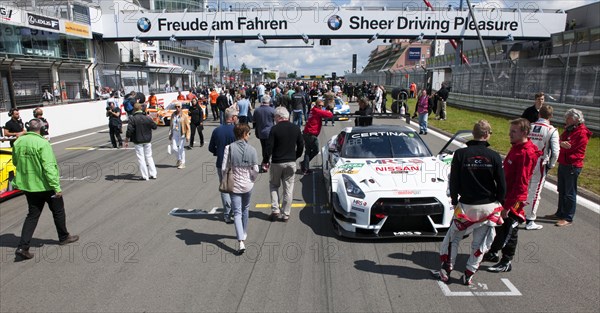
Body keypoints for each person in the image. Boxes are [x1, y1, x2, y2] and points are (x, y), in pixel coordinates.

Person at [437, 120, 506, 286]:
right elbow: (502, 184)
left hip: (466, 206)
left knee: (454, 238)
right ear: (486, 135)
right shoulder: (495, 156)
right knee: (479, 243)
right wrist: (500, 202)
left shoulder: (460, 154)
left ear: (474, 134)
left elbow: (453, 181)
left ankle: (447, 269)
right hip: (488, 207)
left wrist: (454, 199)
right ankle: (468, 273)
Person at [13, 119, 79, 260]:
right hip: (46, 186)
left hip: (29, 186)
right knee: (58, 211)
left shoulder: (19, 142)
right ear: (41, 129)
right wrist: (56, 187)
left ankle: (22, 247)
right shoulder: (43, 143)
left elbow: (15, 161)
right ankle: (63, 237)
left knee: (32, 215)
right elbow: (49, 167)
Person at [484, 118, 541, 273]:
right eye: (510, 131)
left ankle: (506, 261)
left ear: (524, 132)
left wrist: (508, 206)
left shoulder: (525, 153)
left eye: (513, 131)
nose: (510, 134)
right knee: (500, 225)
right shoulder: (517, 147)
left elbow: (521, 184)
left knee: (510, 227)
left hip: (514, 199)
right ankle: (493, 252)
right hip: (506, 194)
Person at [544, 109, 591, 227]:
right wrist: (560, 143)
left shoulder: (581, 132)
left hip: (572, 165)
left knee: (570, 192)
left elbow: (570, 147)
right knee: (561, 190)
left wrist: (560, 144)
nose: (566, 120)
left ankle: (568, 217)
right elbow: (558, 141)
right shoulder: (569, 130)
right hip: (564, 163)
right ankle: (560, 213)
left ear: (575, 119)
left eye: (568, 118)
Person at [222, 124, 259, 254]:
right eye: (248, 133)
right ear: (243, 134)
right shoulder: (252, 150)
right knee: (245, 209)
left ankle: (240, 241)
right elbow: (255, 170)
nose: (249, 136)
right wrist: (252, 179)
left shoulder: (229, 148)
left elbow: (223, 168)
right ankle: (243, 232)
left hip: (234, 184)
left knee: (236, 212)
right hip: (248, 184)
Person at [523, 105, 559, 230]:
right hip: (540, 163)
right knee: (535, 192)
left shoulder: (530, 126)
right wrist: (551, 164)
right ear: (551, 116)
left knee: (522, 189)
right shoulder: (552, 130)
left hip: (526, 160)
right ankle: (530, 220)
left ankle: (517, 215)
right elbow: (555, 151)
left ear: (539, 114)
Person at [266, 107, 304, 222]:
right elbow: (301, 145)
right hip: (290, 161)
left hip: (277, 162)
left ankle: (275, 210)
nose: (274, 119)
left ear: (279, 117)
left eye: (275, 117)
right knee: (288, 188)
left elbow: (269, 147)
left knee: (274, 185)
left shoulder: (274, 129)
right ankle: (286, 214)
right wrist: (295, 156)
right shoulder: (296, 128)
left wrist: (266, 159)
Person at [209, 107, 238, 223]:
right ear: (233, 118)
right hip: (235, 163)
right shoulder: (237, 130)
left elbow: (211, 148)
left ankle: (227, 214)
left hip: (221, 163)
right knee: (236, 188)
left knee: (225, 188)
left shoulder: (217, 130)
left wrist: (218, 152)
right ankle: (236, 212)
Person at [125, 103, 158, 180]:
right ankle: (153, 174)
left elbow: (129, 130)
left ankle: (145, 176)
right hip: (147, 140)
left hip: (138, 140)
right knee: (149, 157)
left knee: (141, 158)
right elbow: (154, 126)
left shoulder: (132, 118)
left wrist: (126, 139)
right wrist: (152, 120)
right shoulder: (147, 118)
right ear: (141, 109)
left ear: (134, 109)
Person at [302, 99, 333, 175]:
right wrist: (329, 111)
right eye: (320, 105)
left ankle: (305, 166)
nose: (321, 107)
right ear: (316, 105)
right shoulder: (316, 110)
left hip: (308, 133)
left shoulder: (314, 110)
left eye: (322, 106)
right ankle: (304, 166)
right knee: (315, 150)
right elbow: (329, 115)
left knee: (308, 151)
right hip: (310, 134)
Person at [253, 95, 275, 172]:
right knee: (269, 148)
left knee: (264, 148)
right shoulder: (272, 110)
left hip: (261, 132)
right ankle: (265, 162)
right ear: (269, 102)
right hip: (270, 132)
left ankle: (265, 161)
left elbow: (254, 121)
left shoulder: (257, 110)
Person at [169, 102, 190, 169]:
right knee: (174, 148)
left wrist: (188, 136)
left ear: (181, 107)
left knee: (181, 148)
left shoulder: (184, 116)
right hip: (175, 133)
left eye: (178, 107)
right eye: (176, 107)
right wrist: (170, 133)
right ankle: (179, 159)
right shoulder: (173, 115)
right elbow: (171, 125)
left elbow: (188, 126)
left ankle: (182, 163)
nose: (177, 108)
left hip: (182, 133)